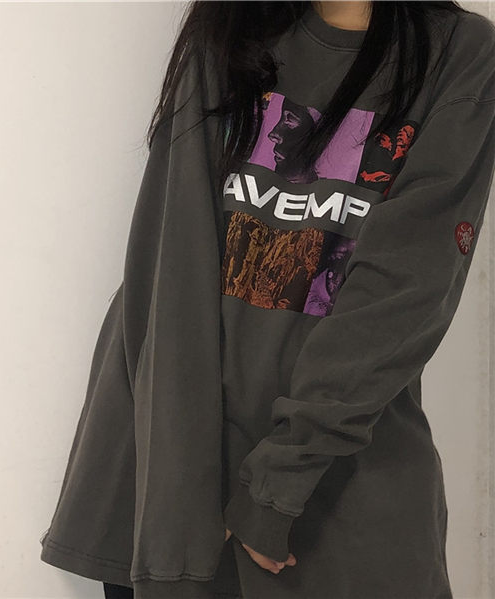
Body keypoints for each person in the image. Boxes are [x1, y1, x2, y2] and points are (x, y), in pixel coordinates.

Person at [39, 1, 495, 598]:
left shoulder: (458, 53)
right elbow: (169, 268)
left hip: (330, 483)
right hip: (170, 457)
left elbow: (405, 289)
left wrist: (280, 479)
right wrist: (175, 501)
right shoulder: (233, 25)